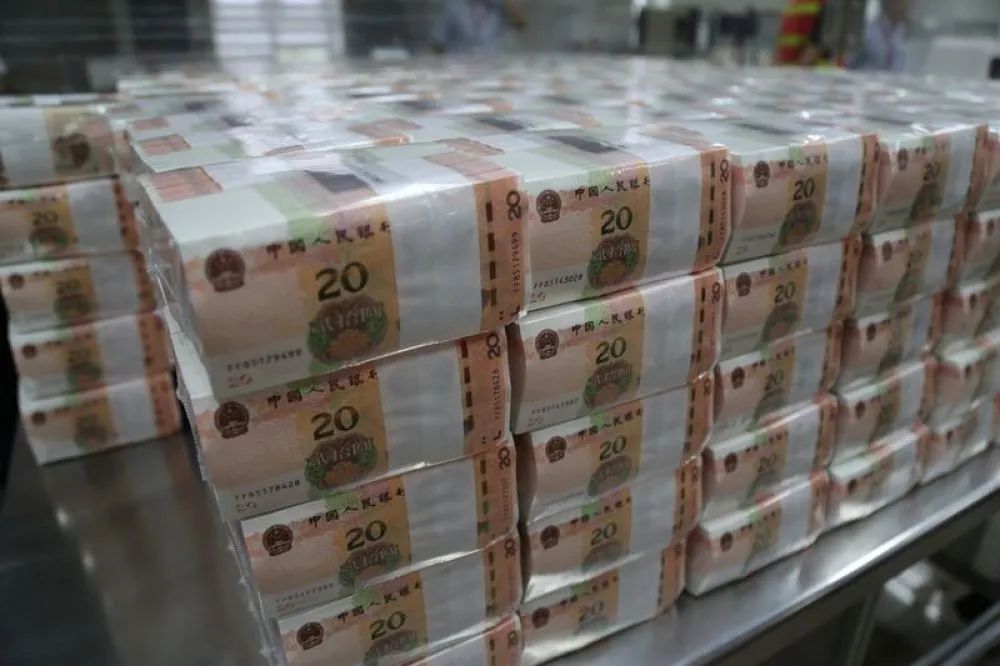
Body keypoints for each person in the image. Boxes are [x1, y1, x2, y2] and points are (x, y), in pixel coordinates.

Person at [433, 0, 527, 54]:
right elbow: (439, 41)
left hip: (494, 66)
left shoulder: (500, 6)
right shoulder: (454, 5)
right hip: (460, 67)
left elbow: (520, 25)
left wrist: (509, 3)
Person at [851, 0, 911, 72]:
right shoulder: (869, 29)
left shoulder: (906, 30)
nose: (905, 7)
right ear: (890, 3)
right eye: (900, 3)